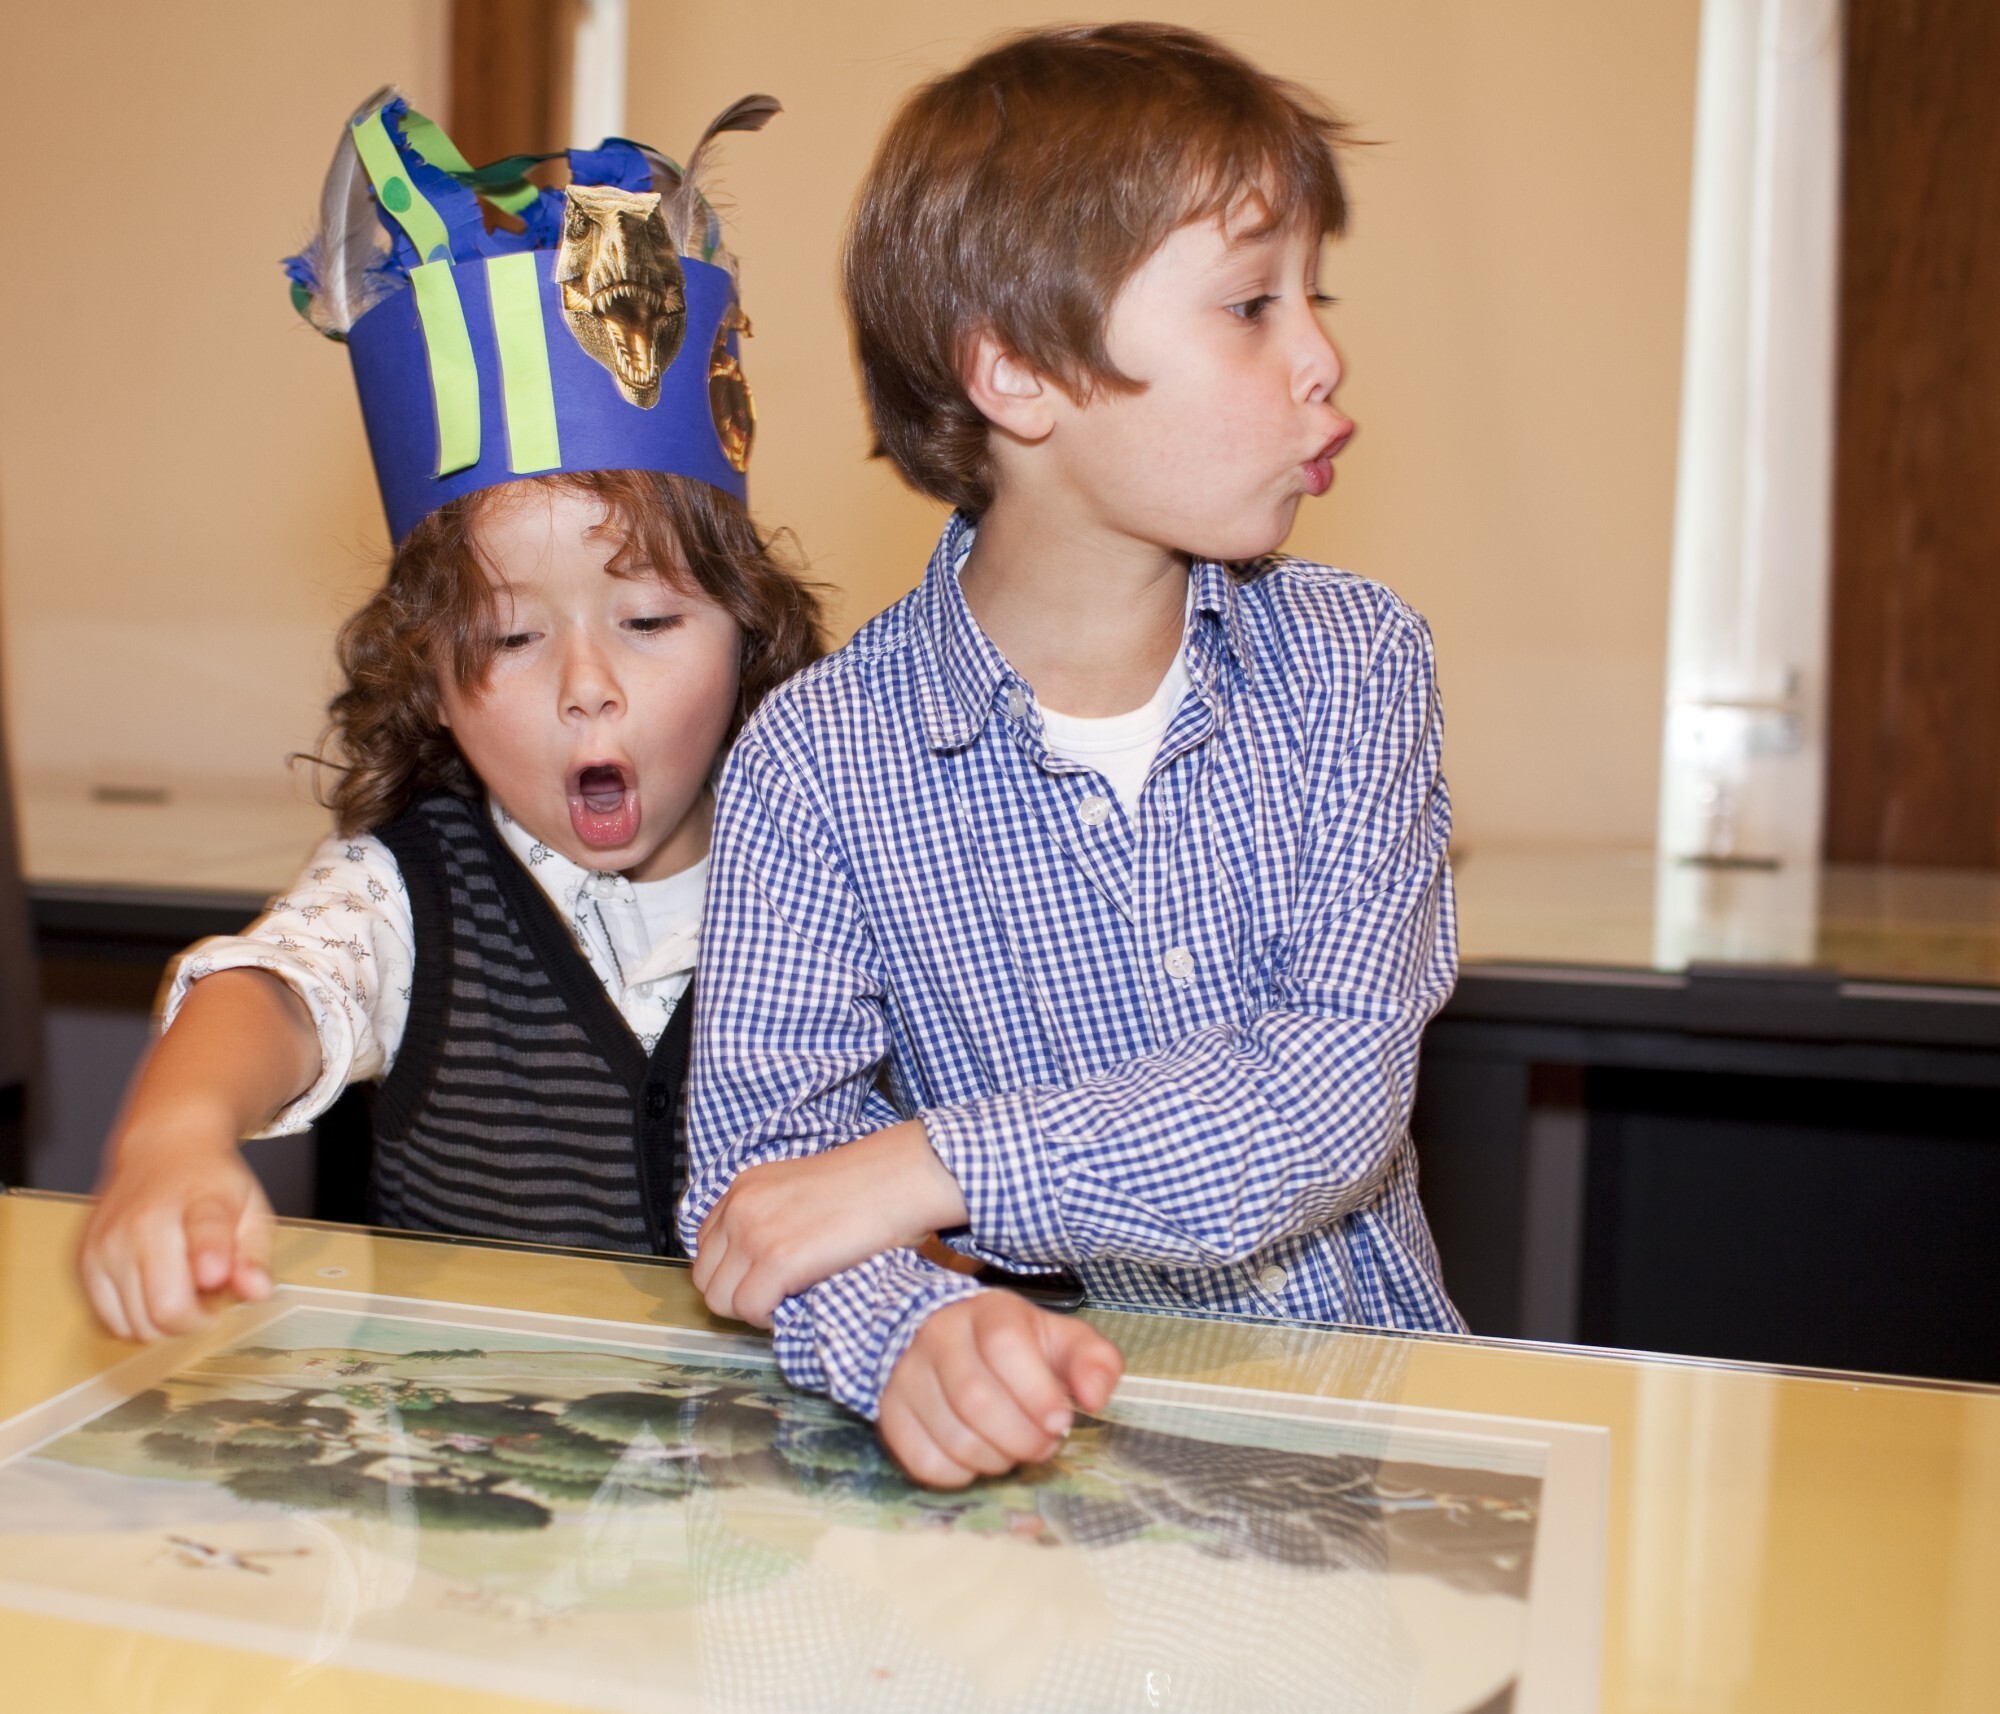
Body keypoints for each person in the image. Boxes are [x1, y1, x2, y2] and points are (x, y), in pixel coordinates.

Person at [683, 23, 1464, 1487]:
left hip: (1360, 1463)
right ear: (1018, 372)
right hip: (1052, 1498)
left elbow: (1325, 1096)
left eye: (1315, 294)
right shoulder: (814, 761)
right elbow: (766, 1180)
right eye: (1249, 304)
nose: (1322, 355)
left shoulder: (1360, 667)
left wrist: (939, 1165)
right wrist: (912, 1332)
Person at [80, 90, 820, 1341]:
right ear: (425, 666)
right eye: (510, 638)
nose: (586, 684)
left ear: (749, 624)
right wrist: (172, 1133)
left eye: (646, 622)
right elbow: (272, 988)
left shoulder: (837, 856)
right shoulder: (410, 896)